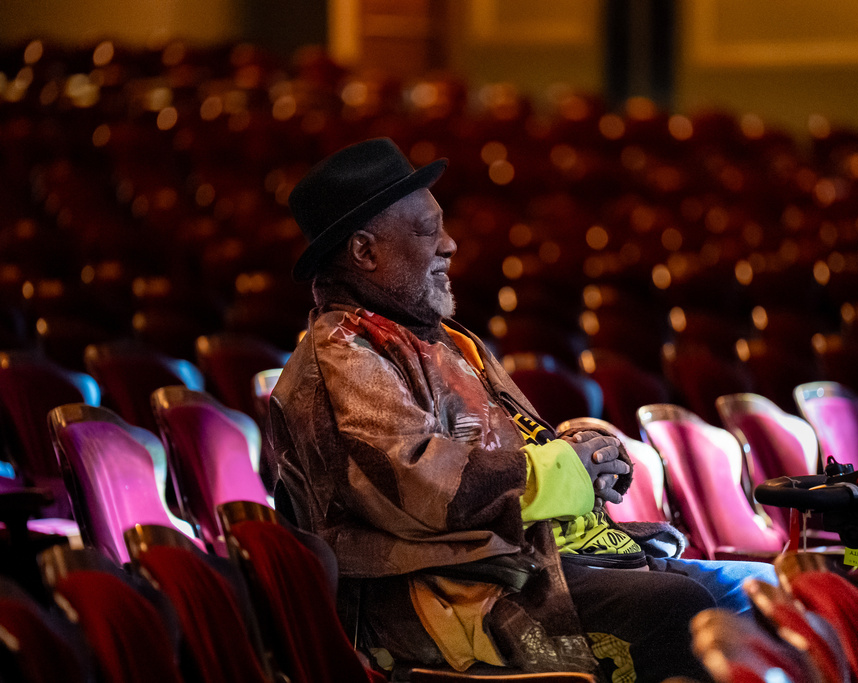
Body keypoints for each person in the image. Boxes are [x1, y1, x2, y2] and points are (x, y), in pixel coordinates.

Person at [272, 138, 776, 683]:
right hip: (439, 594)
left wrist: (581, 453)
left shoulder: (439, 337)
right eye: (426, 231)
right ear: (365, 252)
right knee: (679, 605)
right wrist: (567, 470)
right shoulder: (344, 351)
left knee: (762, 589)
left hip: (514, 561)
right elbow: (419, 483)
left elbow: (517, 448)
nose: (449, 245)